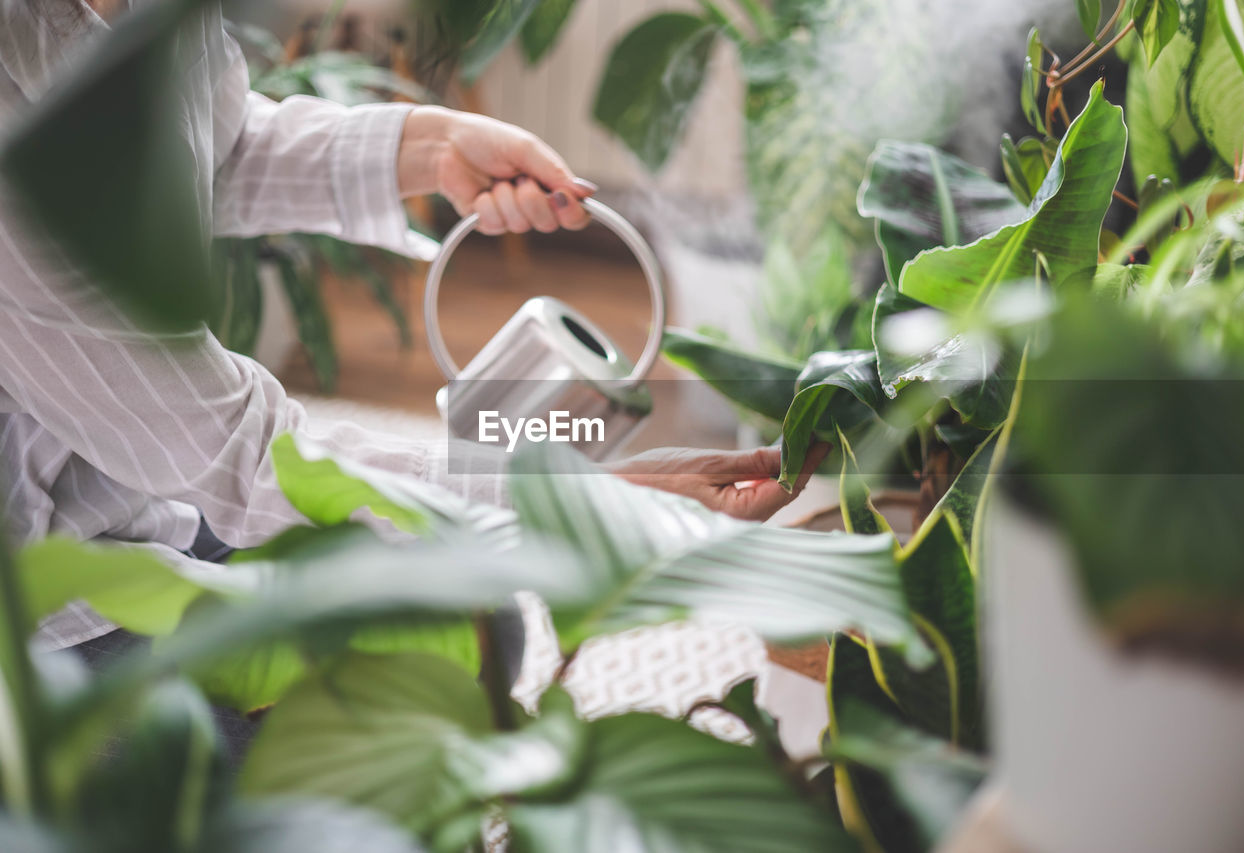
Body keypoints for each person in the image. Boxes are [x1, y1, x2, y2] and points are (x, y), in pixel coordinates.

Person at [0, 0, 824, 665]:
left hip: (137, 489)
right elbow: (237, 458)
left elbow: (224, 140)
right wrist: (588, 503)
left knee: (472, 612)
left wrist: (433, 146)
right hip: (47, 601)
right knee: (442, 662)